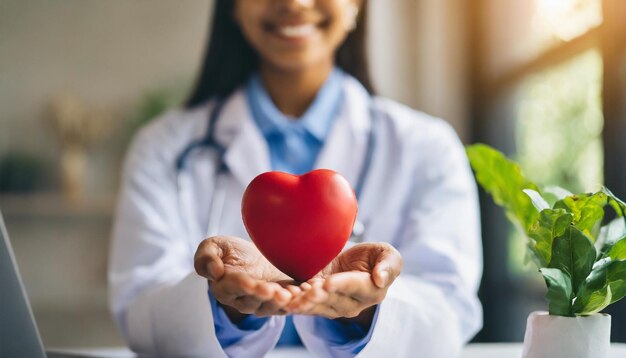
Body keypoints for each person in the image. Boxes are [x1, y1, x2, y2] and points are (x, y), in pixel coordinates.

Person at [108, 0, 483, 357]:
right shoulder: (163, 147)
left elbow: (449, 312)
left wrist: (368, 309)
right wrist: (222, 306)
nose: (294, 2)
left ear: (357, 4)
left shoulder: (428, 146)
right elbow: (139, 311)